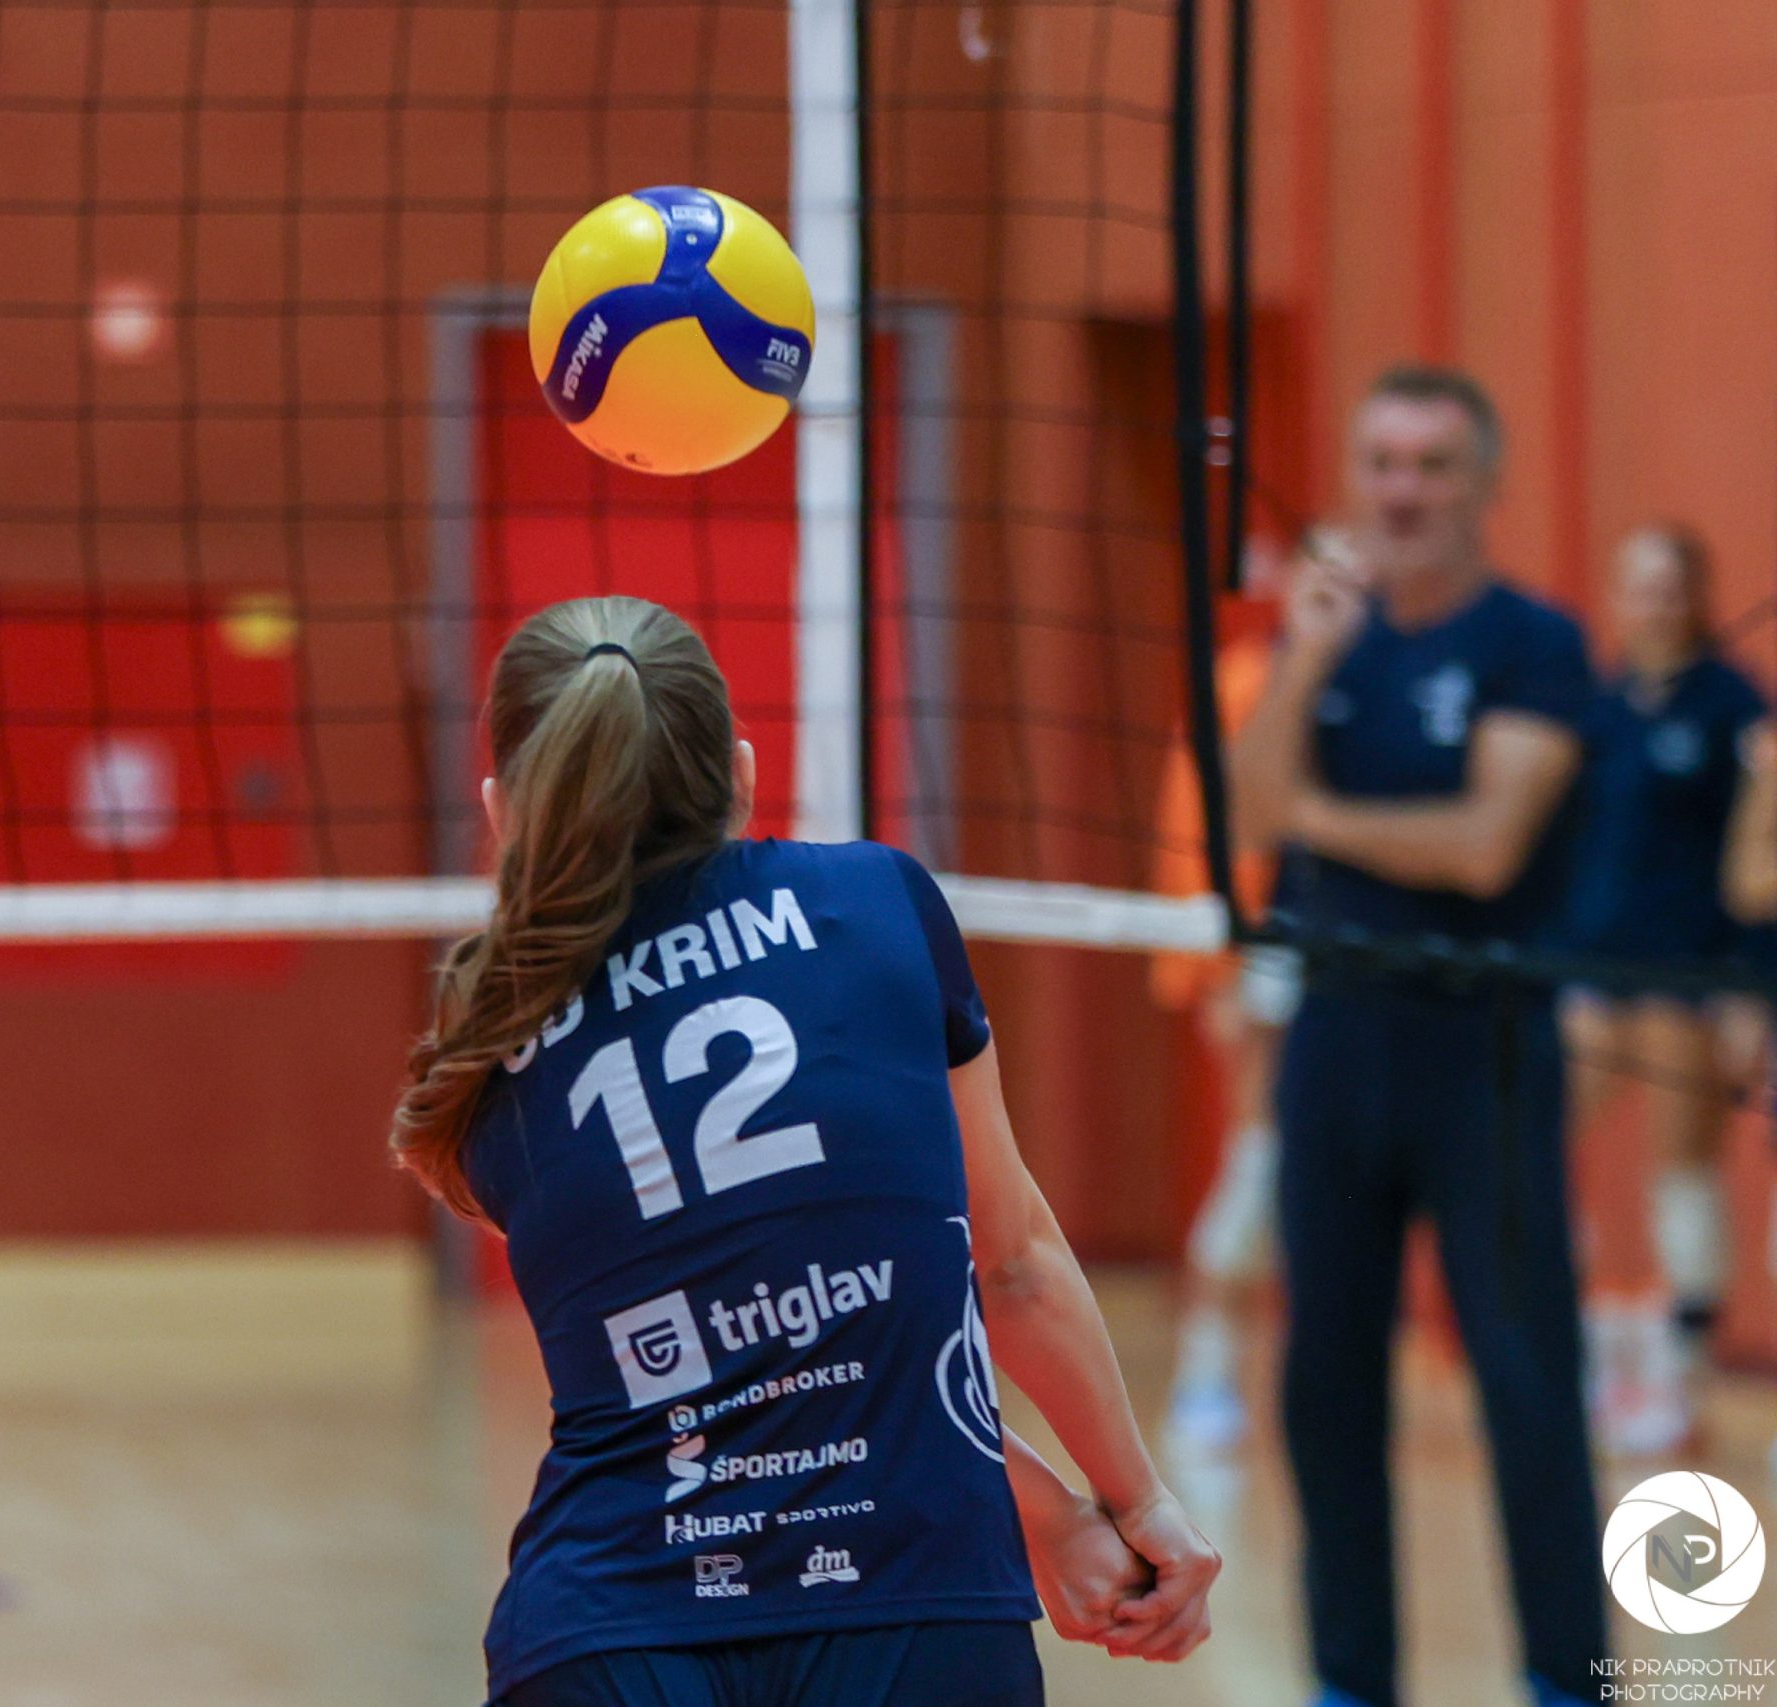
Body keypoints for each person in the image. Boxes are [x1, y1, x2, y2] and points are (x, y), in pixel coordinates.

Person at [392, 595, 1218, 1707]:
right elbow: (1000, 1268)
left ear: (503, 809)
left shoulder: (490, 1036)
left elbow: (749, 1365)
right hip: (914, 1604)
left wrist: (1054, 1521)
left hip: (603, 1634)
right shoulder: (874, 902)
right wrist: (1123, 1505)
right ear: (738, 772)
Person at [1229, 365, 1608, 1707]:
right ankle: (1349, 1678)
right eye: (1382, 462)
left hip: (1481, 1046)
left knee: (1524, 1378)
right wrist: (1306, 662)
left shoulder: (1533, 642)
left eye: (1433, 465)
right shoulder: (1327, 639)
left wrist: (1318, 815)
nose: (1402, 492)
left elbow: (1484, 845)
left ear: (1484, 484)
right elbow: (1251, 813)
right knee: (1325, 1381)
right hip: (1337, 1037)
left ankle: (1568, 1675)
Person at [1562, 524, 1768, 1457]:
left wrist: (1746, 983)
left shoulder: (1732, 705)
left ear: (1696, 596)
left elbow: (1754, 859)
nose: (1652, 604)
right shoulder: (1599, 707)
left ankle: (1684, 1381)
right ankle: (1571, 1352)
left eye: (1668, 587)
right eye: (1637, 586)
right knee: (1535, 1141)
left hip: (1689, 973)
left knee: (1682, 1168)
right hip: (1591, 966)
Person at [1150, 545, 1298, 1455]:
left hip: (1367, 958)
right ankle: (1205, 1366)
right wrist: (1209, 958)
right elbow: (1196, 823)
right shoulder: (1247, 681)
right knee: (1262, 1154)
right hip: (1264, 946)